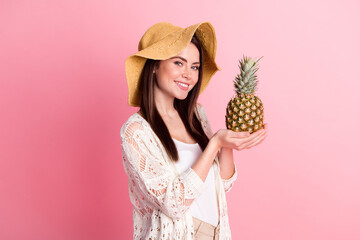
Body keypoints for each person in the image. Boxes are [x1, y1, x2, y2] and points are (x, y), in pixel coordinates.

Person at [120, 22, 267, 240]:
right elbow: (174, 204)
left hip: (216, 233)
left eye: (195, 67)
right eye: (179, 63)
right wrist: (215, 143)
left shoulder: (197, 115)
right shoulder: (136, 132)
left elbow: (222, 185)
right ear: (154, 66)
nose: (188, 74)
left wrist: (227, 144)